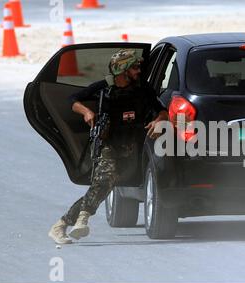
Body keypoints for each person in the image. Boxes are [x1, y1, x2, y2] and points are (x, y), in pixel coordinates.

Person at [48, 49, 168, 244]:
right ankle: (82, 220)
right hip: (107, 144)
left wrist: (159, 120)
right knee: (104, 180)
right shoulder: (104, 88)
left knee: (101, 187)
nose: (139, 71)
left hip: (130, 148)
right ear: (123, 69)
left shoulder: (143, 90)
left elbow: (162, 111)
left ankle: (61, 224)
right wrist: (86, 112)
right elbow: (72, 100)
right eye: (135, 67)